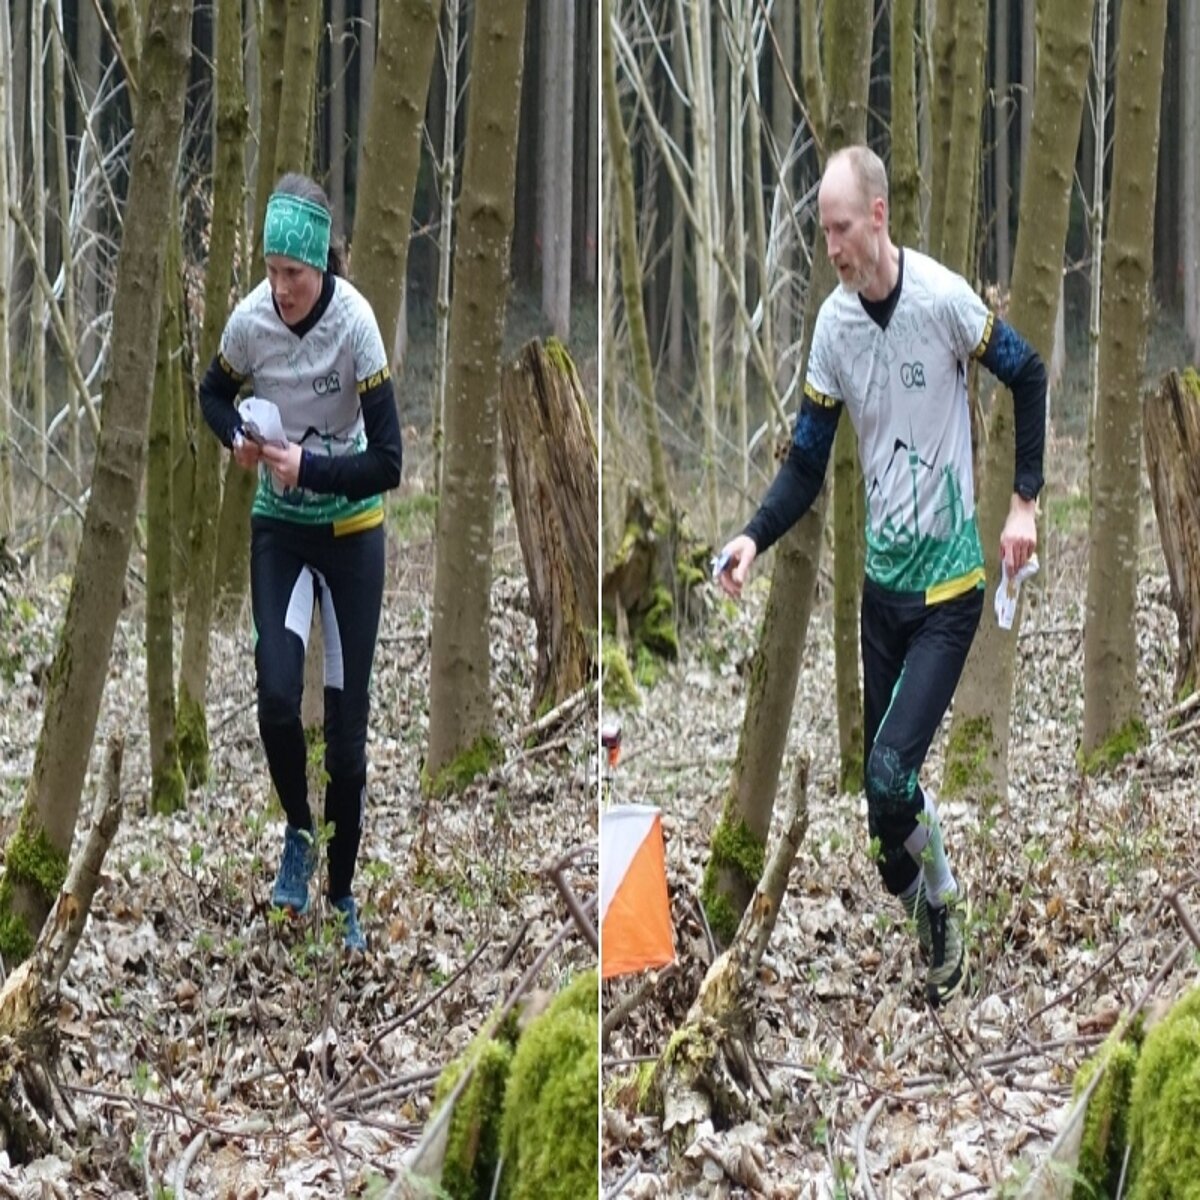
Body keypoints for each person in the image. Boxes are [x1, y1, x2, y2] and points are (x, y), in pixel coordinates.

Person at [717, 145, 1045, 1006]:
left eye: (842, 229)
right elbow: (807, 461)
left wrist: (1025, 502)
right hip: (881, 594)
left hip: (949, 592)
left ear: (878, 216)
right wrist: (753, 537)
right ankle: (926, 902)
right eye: (823, 233)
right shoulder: (834, 329)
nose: (832, 247)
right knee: (879, 829)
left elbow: (1029, 374)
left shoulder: (942, 300)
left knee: (892, 775)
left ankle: (945, 904)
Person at [200, 173, 403, 951]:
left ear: (322, 266)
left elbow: (389, 462)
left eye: (295, 273)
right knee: (278, 699)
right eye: (272, 269)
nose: (281, 288)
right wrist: (237, 439)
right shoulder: (250, 320)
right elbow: (211, 393)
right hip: (280, 530)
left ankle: (343, 895)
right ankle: (298, 832)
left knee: (347, 742)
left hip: (352, 532)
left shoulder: (355, 325)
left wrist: (308, 466)